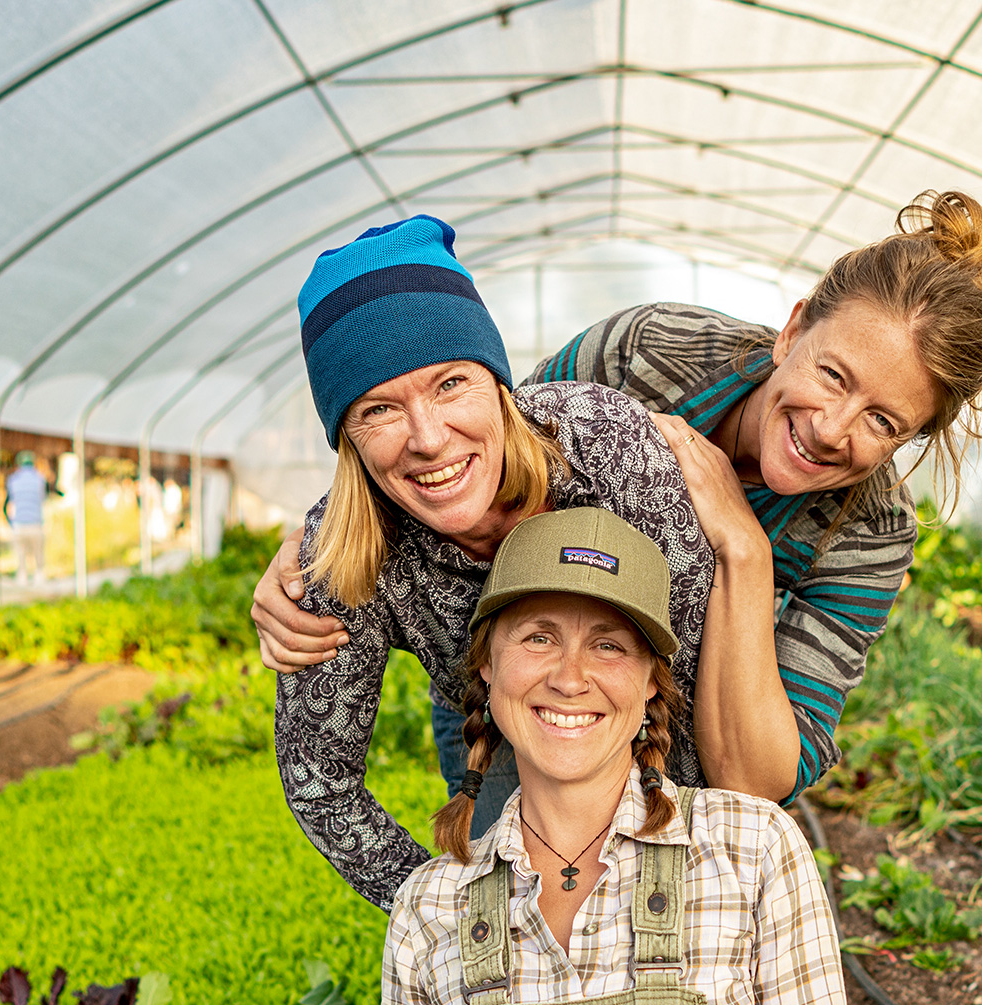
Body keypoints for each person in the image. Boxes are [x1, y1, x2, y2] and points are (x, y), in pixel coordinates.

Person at [257, 190, 982, 829]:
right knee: (507, 889)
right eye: (832, 374)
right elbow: (478, 454)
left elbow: (753, 784)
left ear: (914, 435)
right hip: (510, 686)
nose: (832, 427)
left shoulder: (870, 534)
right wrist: (312, 543)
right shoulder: (649, 354)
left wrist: (744, 551)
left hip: (685, 729)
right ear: (792, 329)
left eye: (883, 422)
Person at [364, 506, 860, 1005]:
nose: (571, 676)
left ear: (652, 686)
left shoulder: (750, 851)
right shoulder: (434, 905)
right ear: (487, 668)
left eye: (610, 644)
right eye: (537, 636)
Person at [274, 213, 715, 908]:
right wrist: (443, 912)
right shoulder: (345, 555)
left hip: (644, 710)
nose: (428, 438)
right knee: (509, 911)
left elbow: (685, 671)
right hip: (485, 713)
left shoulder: (606, 448)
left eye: (451, 383)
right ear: (348, 436)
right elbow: (317, 777)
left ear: (497, 383)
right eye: (379, 408)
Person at [4, 450, 48, 585]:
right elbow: (43, 498)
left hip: (19, 524)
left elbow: (9, 501)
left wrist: (9, 521)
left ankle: (22, 577)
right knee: (38, 556)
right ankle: (39, 577)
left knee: (21, 557)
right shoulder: (40, 479)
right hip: (36, 523)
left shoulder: (13, 480)